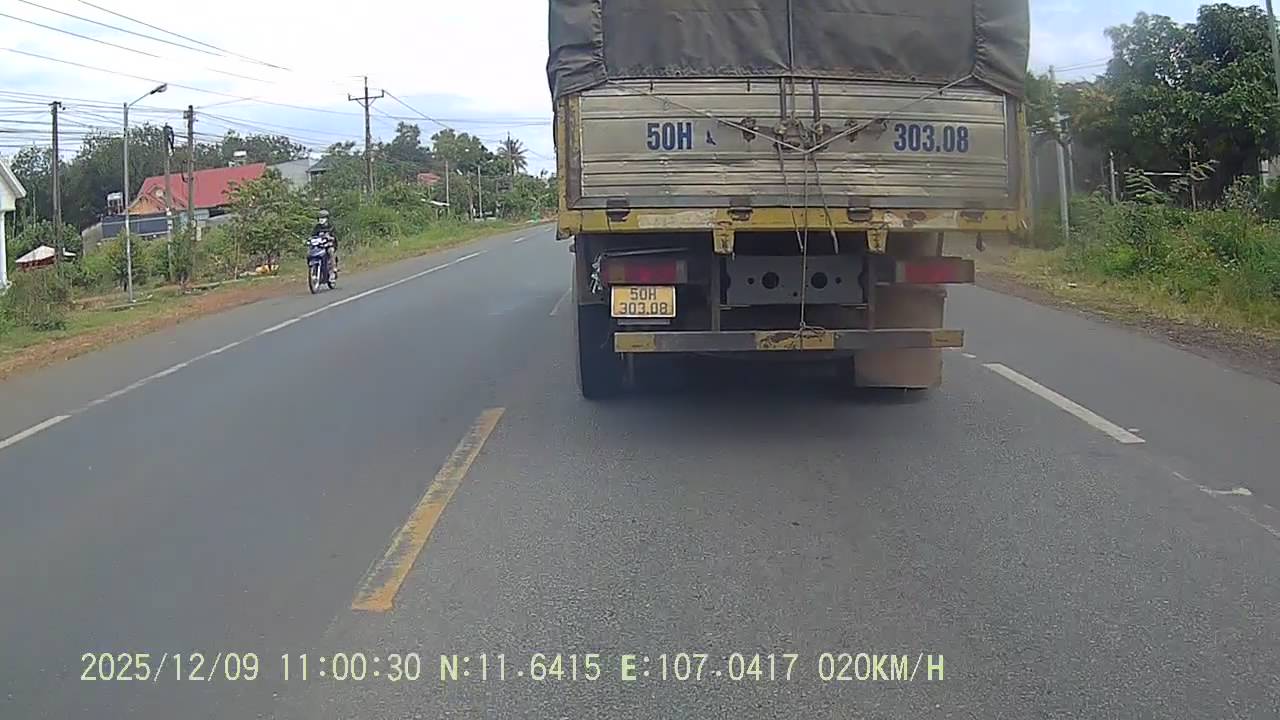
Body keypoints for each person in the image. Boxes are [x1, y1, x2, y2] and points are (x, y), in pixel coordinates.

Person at [311, 210, 338, 279]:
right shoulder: (317, 227)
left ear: (327, 219)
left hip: (329, 245)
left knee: (330, 251)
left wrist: (330, 237)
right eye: (320, 218)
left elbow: (334, 236)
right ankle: (314, 269)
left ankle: (333, 269)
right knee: (312, 252)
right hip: (319, 245)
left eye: (323, 218)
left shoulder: (331, 227)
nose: (321, 220)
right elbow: (313, 235)